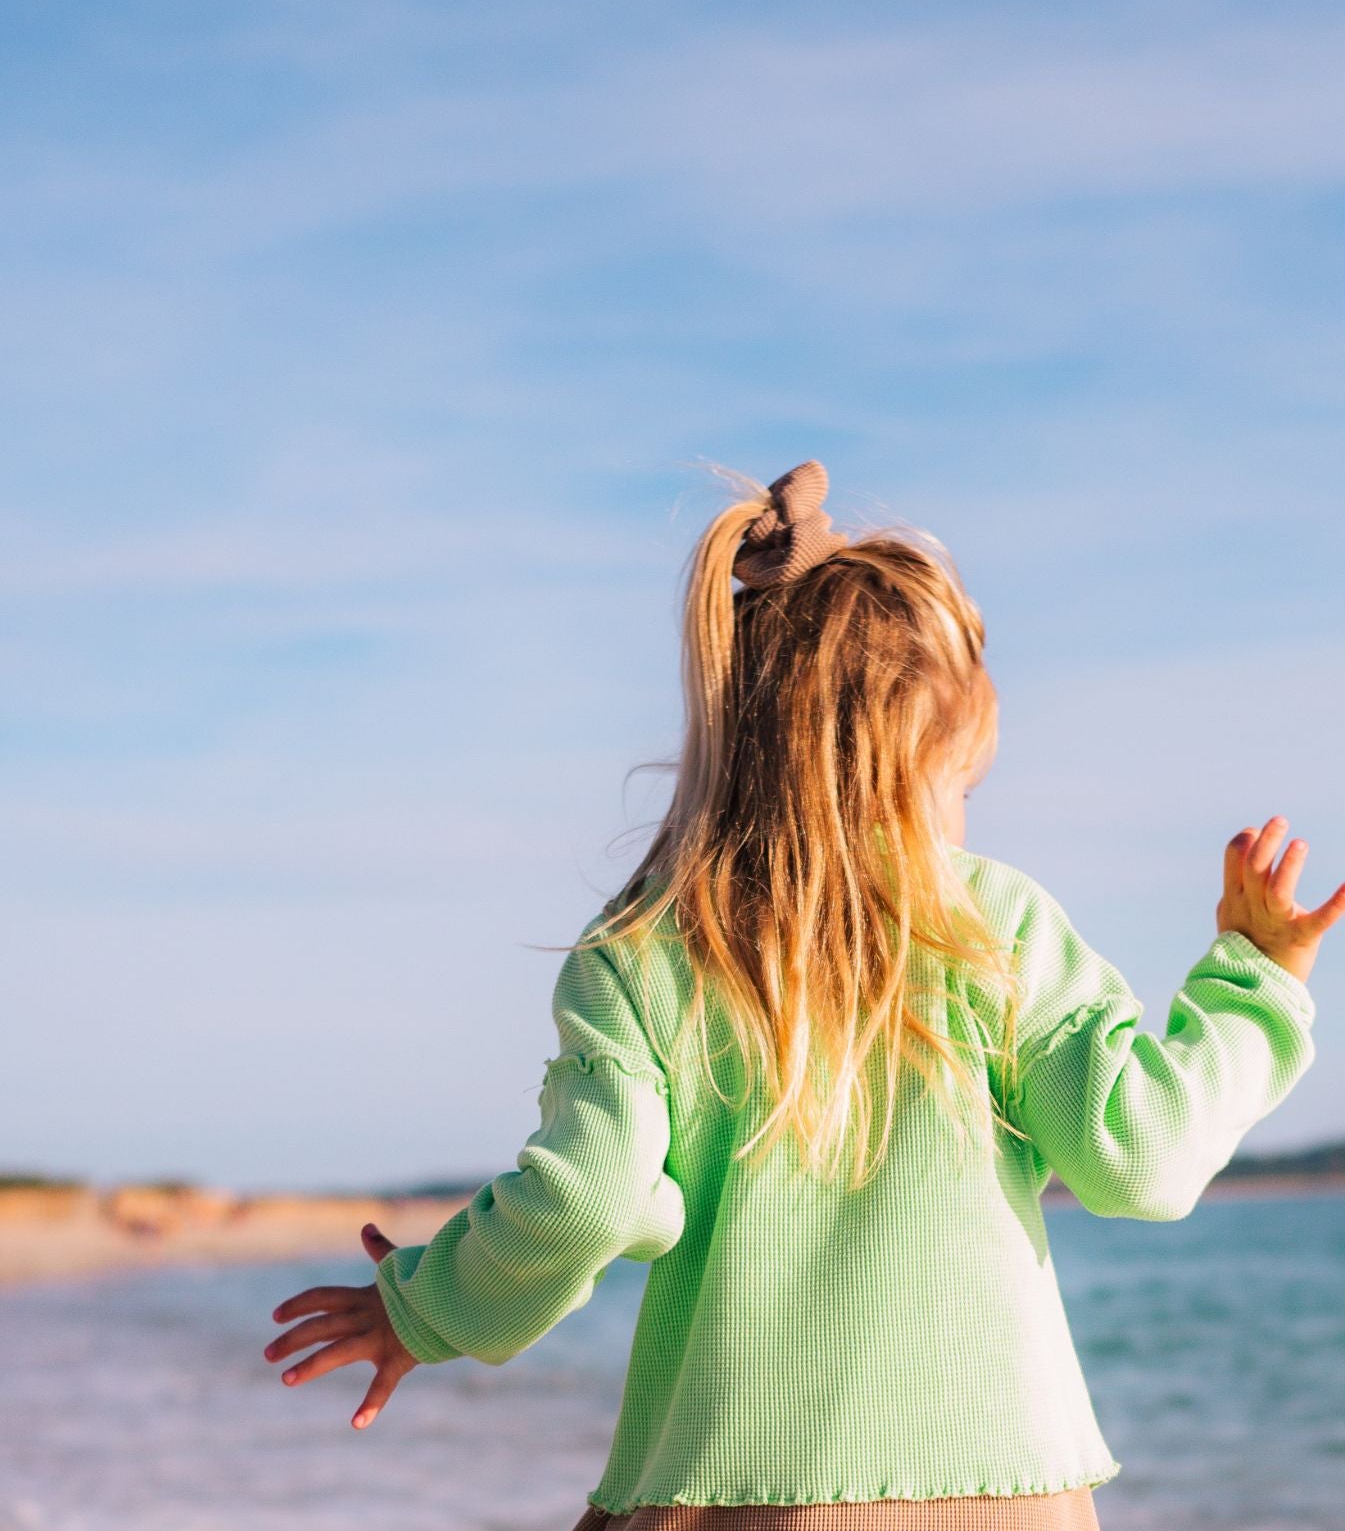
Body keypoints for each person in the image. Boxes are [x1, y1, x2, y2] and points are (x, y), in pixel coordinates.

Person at [264, 461, 1342, 1528]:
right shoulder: (990, 922)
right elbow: (1139, 1153)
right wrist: (1254, 976)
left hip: (727, 1486)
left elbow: (594, 1197)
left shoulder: (642, 950)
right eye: (961, 786)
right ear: (905, 759)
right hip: (1000, 1486)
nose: (962, 821)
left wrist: (432, 1302)